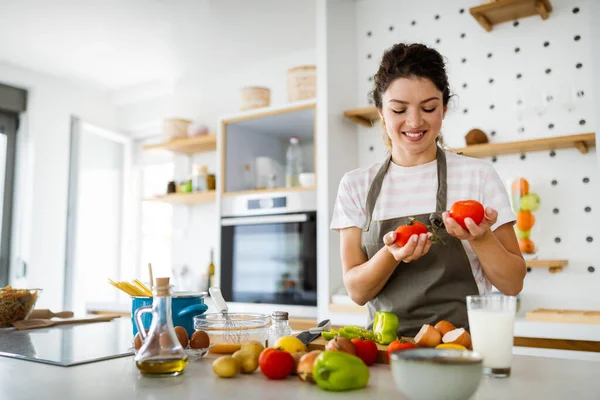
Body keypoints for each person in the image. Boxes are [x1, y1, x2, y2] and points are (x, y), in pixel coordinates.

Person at [330, 43, 526, 337]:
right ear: (381, 111)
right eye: (399, 109)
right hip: (386, 350)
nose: (414, 122)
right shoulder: (357, 185)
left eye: (429, 108)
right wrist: (391, 254)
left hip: (461, 346)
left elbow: (512, 284)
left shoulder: (478, 176)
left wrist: (482, 238)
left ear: (444, 108)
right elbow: (357, 291)